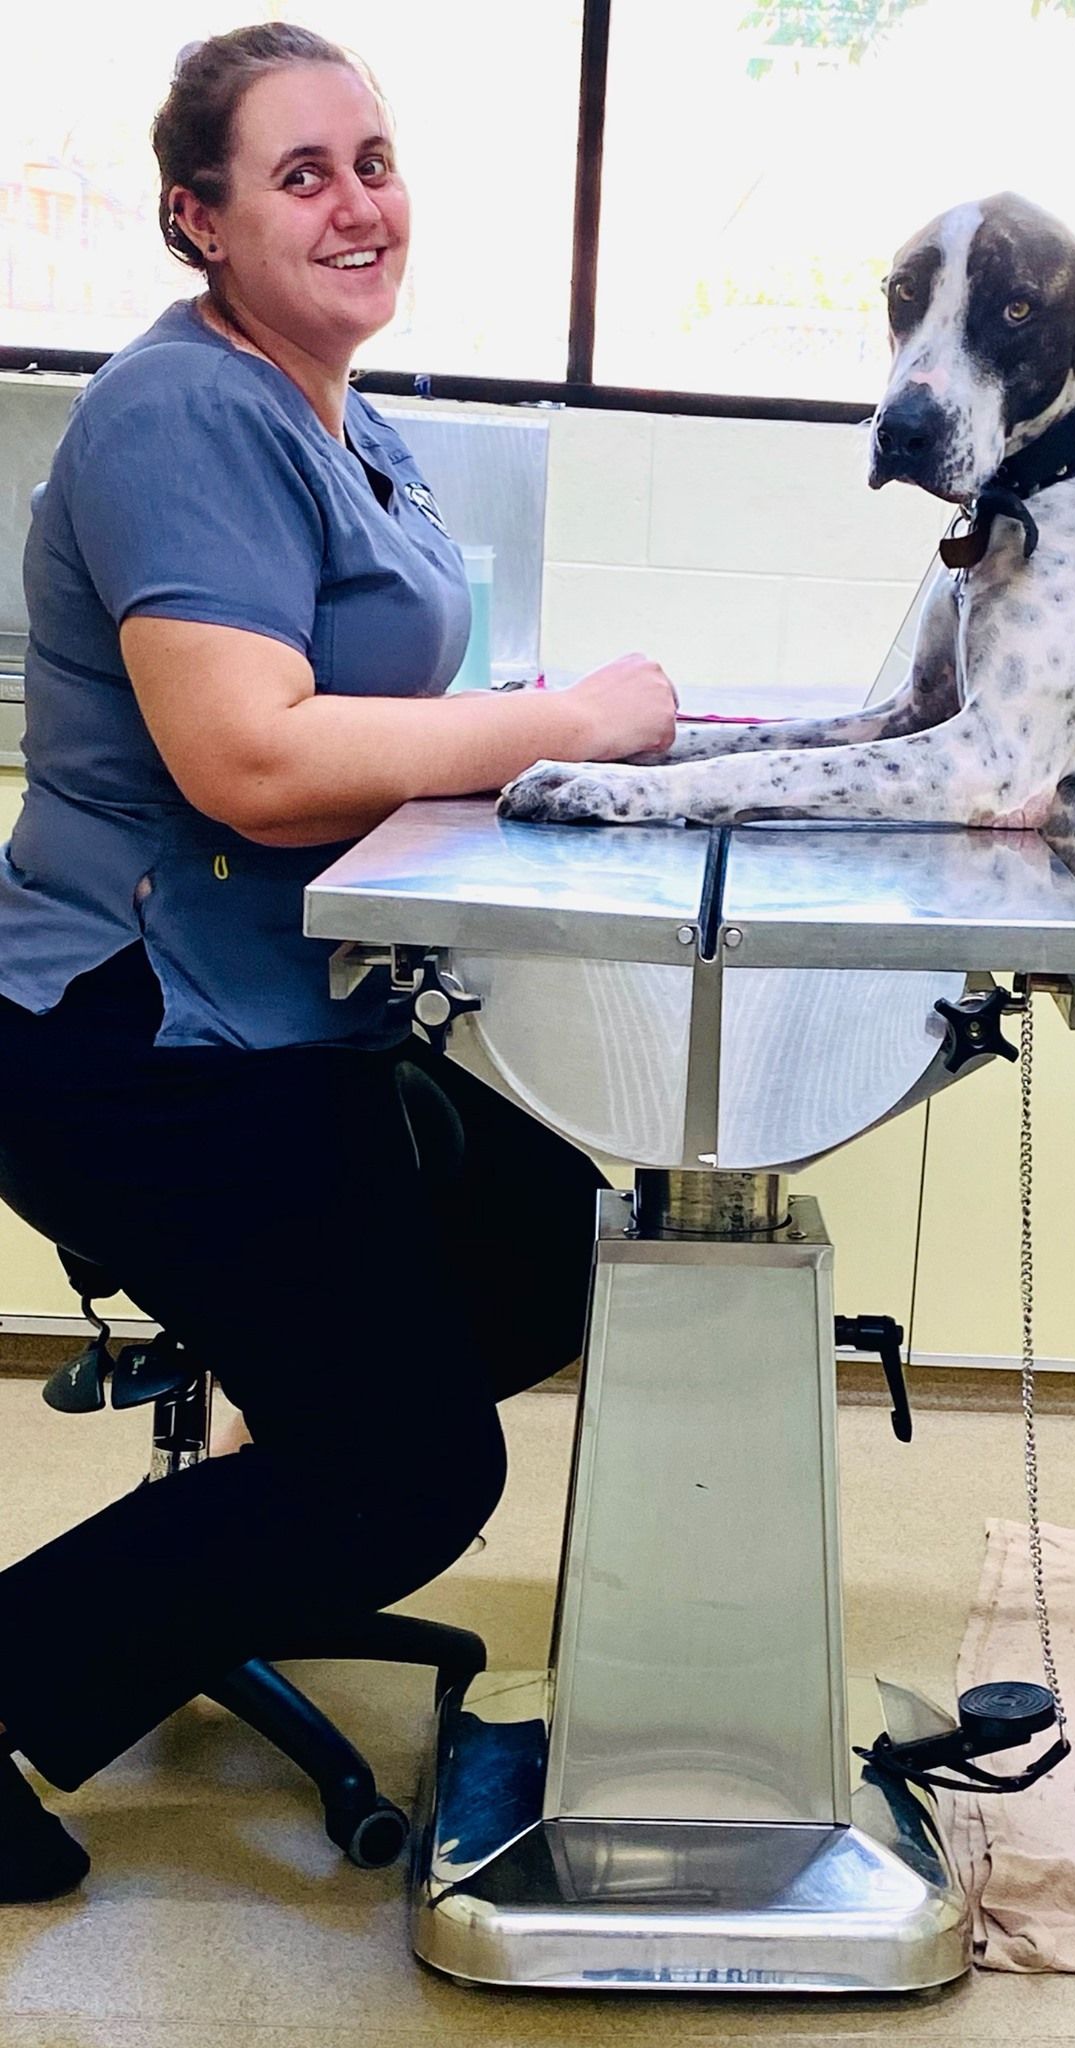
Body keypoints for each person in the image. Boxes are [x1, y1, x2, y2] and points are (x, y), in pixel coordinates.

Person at [0, 22, 677, 1902]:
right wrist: (568, 721)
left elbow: (378, 708)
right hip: (140, 1039)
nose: (358, 201)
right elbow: (254, 760)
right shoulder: (181, 414)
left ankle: (248, 1501)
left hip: (297, 1018)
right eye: (301, 173)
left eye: (372, 160)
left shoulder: (336, 410)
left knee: (551, 1245)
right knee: (409, 1475)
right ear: (196, 219)